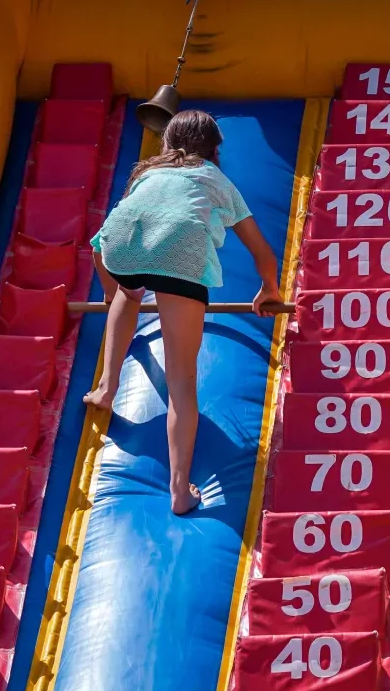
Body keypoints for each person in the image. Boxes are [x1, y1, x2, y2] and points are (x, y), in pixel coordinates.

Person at [86, 109, 282, 514]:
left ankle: (106, 386)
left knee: (128, 289)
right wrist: (269, 289)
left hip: (118, 254)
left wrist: (110, 294)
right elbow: (261, 251)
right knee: (181, 380)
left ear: (167, 144)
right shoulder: (216, 180)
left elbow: (101, 244)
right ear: (214, 150)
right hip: (180, 265)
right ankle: (179, 491)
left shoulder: (145, 174)